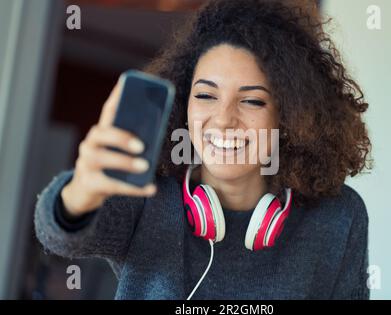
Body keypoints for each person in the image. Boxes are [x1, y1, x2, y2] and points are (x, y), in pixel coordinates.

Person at [35, 0, 372, 299]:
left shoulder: (339, 216)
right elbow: (60, 235)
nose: (223, 120)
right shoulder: (145, 194)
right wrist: (81, 190)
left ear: (290, 116)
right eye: (206, 95)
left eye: (252, 100)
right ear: (184, 104)